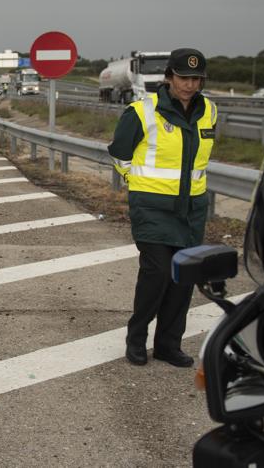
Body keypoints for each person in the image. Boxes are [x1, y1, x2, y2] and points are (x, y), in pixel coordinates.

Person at [108, 48, 217, 367]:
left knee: (182, 279)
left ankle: (169, 345)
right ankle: (137, 339)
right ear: (169, 77)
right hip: (152, 210)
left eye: (197, 79)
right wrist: (135, 183)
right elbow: (119, 153)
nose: (190, 85)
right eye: (184, 78)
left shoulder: (210, 110)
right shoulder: (142, 111)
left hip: (191, 212)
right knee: (157, 274)